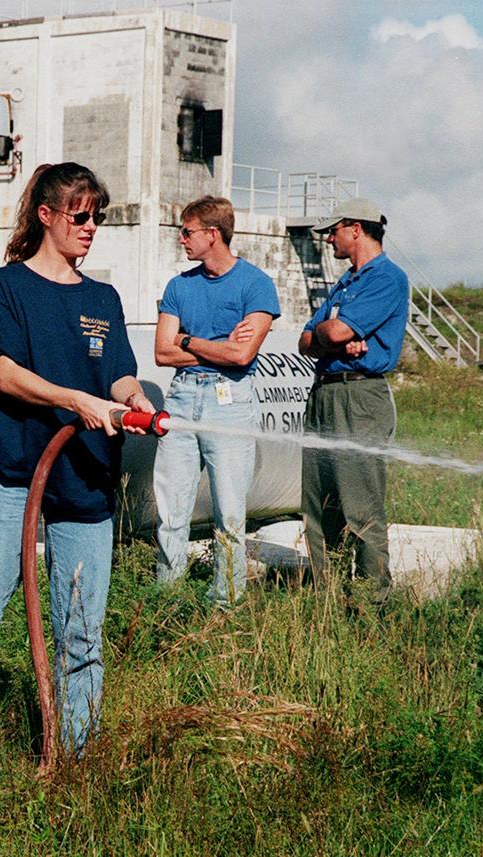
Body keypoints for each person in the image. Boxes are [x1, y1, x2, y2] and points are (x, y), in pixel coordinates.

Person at [0, 163, 152, 755]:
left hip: (85, 480)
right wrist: (74, 398)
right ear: (47, 216)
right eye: (80, 215)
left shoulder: (103, 298)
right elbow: (4, 375)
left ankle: (75, 752)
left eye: (97, 216)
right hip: (15, 475)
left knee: (82, 634)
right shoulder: (6, 288)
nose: (91, 226)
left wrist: (133, 397)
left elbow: (119, 372)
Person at [152, 195, 280, 607]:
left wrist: (187, 339)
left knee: (228, 513)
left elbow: (243, 356)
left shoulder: (255, 283)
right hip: (183, 395)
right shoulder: (178, 286)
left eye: (187, 232)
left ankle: (225, 602)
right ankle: (167, 598)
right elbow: (161, 352)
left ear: (212, 234)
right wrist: (216, 344)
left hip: (230, 400)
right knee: (171, 511)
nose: (181, 239)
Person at [299, 198, 408, 606]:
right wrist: (330, 334)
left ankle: (370, 604)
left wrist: (332, 333)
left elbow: (337, 331)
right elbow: (307, 339)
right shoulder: (346, 281)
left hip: (359, 395)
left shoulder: (386, 278)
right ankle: (324, 601)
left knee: (360, 506)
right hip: (324, 390)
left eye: (334, 230)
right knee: (318, 501)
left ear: (356, 229)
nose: (329, 239)